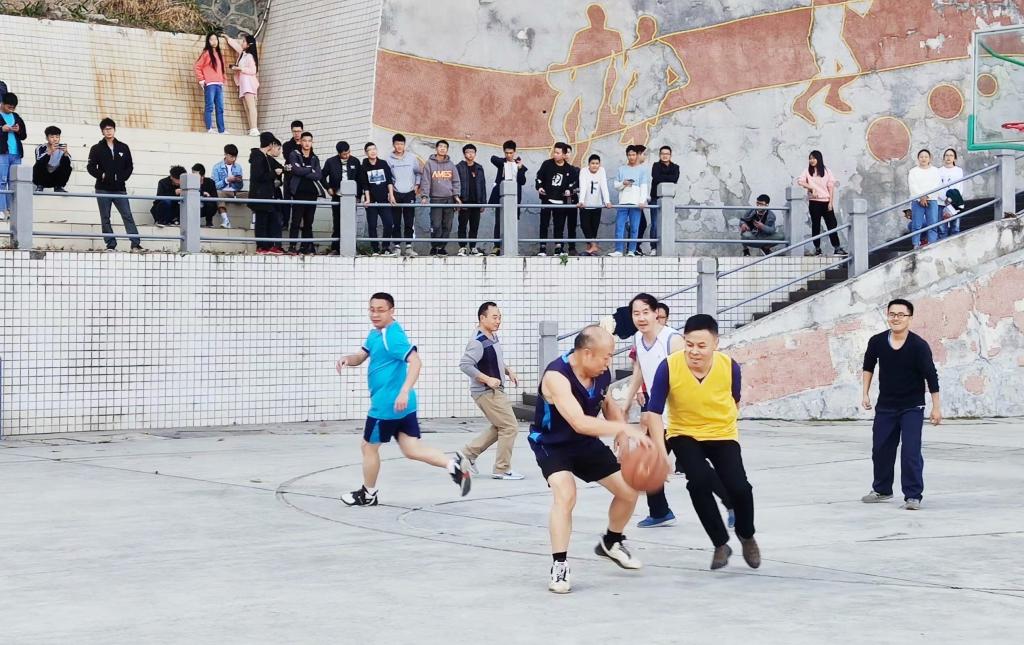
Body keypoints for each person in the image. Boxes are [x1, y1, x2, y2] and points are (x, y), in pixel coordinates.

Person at [530, 325, 649, 594]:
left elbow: (606, 403)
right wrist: (627, 429)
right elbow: (579, 422)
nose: (609, 363)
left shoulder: (600, 372)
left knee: (629, 491)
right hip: (552, 444)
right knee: (566, 493)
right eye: (606, 357)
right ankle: (559, 565)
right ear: (586, 353)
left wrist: (621, 431)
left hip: (585, 444)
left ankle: (611, 542)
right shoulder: (556, 377)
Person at [645, 314, 761, 570]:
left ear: (715, 344)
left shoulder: (730, 367)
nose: (694, 351)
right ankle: (720, 543)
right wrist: (661, 455)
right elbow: (653, 412)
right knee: (697, 482)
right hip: (683, 433)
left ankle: (746, 535)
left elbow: (735, 399)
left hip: (722, 433)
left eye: (701, 346)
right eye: (689, 344)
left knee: (740, 488)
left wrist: (723, 423)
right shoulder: (669, 366)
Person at [338, 292, 472, 506]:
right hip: (404, 406)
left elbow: (416, 362)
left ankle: (368, 494)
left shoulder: (392, 336)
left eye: (381, 310)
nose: (375, 314)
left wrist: (404, 390)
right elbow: (361, 356)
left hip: (387, 406)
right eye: (372, 309)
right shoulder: (376, 334)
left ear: (392, 311)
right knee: (411, 449)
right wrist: (348, 359)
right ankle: (453, 466)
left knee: (368, 447)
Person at [621, 297, 736, 529]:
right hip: (657, 415)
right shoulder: (638, 338)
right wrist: (627, 401)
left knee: (694, 468)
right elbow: (640, 369)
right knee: (651, 464)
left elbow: (692, 372)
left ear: (656, 313)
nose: (641, 318)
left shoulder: (672, 340)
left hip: (679, 417)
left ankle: (733, 503)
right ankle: (660, 512)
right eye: (636, 313)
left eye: (646, 312)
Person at [861, 299, 941, 511]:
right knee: (880, 449)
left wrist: (936, 407)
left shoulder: (918, 345)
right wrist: (865, 393)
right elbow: (868, 366)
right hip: (886, 406)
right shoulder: (877, 341)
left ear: (910, 318)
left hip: (912, 407)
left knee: (910, 452)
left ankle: (913, 495)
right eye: (892, 314)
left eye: (901, 315)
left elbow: (931, 376)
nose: (896, 318)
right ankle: (882, 489)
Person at [459, 302, 523, 480]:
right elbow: (465, 365)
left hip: (494, 390)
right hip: (486, 392)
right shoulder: (477, 341)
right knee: (510, 427)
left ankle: (467, 455)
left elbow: (494, 360)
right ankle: (502, 469)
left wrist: (508, 371)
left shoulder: (492, 336)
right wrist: (487, 379)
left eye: (499, 317)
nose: (498, 321)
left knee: (501, 426)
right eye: (494, 317)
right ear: (482, 318)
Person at [86, 118, 143, 252]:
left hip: (119, 189)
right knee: (105, 217)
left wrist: (121, 178)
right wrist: (102, 175)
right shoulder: (96, 148)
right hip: (102, 189)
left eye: (110, 128)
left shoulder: (123, 147)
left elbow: (129, 166)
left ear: (114, 129)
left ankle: (135, 244)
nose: (108, 131)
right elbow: (90, 167)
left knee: (127, 215)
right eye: (106, 129)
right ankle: (111, 245)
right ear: (102, 131)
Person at [797, 150, 847, 256]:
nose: (811, 160)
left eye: (814, 158)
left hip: (826, 202)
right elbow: (800, 181)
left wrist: (830, 203)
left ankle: (837, 248)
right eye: (810, 158)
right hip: (814, 203)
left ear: (819, 158)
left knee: (832, 225)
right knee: (816, 226)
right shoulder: (807, 171)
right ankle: (817, 248)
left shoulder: (827, 171)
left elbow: (831, 187)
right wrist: (812, 188)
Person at [419, 140, 461, 256]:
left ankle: (442, 247)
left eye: (445, 147)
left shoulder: (451, 165)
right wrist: (424, 196)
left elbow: (456, 181)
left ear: (447, 150)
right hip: (436, 199)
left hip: (449, 200)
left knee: (447, 225)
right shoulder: (429, 164)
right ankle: (435, 247)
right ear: (436, 148)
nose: (442, 148)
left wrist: (456, 196)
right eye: (440, 146)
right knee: (436, 225)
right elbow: (425, 180)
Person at [534, 142, 576, 256]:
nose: (555, 155)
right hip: (547, 200)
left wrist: (569, 191)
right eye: (555, 152)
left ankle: (558, 247)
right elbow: (539, 178)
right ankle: (542, 248)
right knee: (544, 224)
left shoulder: (569, 169)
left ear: (564, 155)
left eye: (558, 153)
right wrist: (540, 187)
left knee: (559, 225)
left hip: (561, 201)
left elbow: (573, 184)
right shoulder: (547, 164)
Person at [488, 139, 528, 256]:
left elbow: (522, 181)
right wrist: (506, 162)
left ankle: (511, 247)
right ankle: (497, 246)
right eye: (506, 153)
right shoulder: (502, 163)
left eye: (511, 153)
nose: (509, 155)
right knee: (498, 222)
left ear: (514, 152)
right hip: (501, 197)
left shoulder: (520, 166)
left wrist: (519, 168)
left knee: (512, 222)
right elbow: (493, 158)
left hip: (514, 198)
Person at [322, 141, 362, 255]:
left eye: (348, 152)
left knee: (351, 223)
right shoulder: (331, 162)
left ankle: (352, 247)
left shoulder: (355, 161)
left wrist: (359, 195)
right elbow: (322, 175)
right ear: (339, 153)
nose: (347, 155)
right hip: (337, 196)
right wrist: (328, 188)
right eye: (344, 154)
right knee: (337, 222)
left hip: (351, 197)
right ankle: (336, 247)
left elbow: (360, 179)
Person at [287, 132, 323, 255]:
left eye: (309, 141)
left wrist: (303, 170)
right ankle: (292, 246)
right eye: (305, 140)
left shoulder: (315, 158)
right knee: (296, 220)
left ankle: (306, 246)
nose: (307, 143)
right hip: (298, 192)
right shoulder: (294, 154)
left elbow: (318, 175)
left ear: (312, 142)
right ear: (301, 142)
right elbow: (296, 170)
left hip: (312, 193)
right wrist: (310, 170)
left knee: (309, 222)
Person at [386, 133, 421, 257]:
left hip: (409, 193)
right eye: (397, 144)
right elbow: (388, 178)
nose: (399, 146)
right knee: (395, 221)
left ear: (404, 145)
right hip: (395, 193)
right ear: (393, 145)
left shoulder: (412, 158)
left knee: (409, 221)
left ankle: (409, 246)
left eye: (401, 144)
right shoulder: (388, 159)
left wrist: (416, 186)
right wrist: (390, 194)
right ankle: (396, 246)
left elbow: (418, 173)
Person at [248, 132, 284, 255]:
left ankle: (268, 246)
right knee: (261, 222)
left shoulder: (264, 157)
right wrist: (274, 173)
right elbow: (258, 176)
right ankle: (261, 247)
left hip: (266, 195)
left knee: (268, 220)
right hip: (260, 195)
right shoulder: (258, 157)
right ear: (270, 144)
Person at [359, 142, 397, 256]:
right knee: (372, 225)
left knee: (389, 223)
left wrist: (391, 195)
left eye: (374, 149)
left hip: (384, 200)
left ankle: (385, 247)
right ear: (366, 153)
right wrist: (367, 199)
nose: (373, 151)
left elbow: (389, 181)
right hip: (372, 202)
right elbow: (365, 185)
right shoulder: (363, 167)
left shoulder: (383, 163)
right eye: (370, 150)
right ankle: (375, 249)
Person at [611, 145, 649, 257]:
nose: (631, 157)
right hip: (623, 202)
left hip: (636, 203)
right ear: (627, 156)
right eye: (629, 155)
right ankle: (618, 250)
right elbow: (616, 186)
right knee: (620, 226)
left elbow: (644, 187)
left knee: (634, 227)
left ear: (637, 155)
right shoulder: (621, 169)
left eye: (633, 155)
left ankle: (631, 250)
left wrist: (642, 201)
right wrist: (623, 183)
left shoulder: (642, 170)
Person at [223, 32, 260, 136]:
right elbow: (236, 46)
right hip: (242, 84)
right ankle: (251, 128)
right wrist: (228, 38)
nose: (242, 43)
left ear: (248, 45)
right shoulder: (243, 54)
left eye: (244, 41)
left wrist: (239, 68)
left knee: (251, 106)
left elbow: (253, 70)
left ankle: (254, 128)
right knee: (246, 107)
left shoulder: (250, 56)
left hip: (248, 84)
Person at [646, 146, 680, 256]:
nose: (665, 156)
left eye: (667, 154)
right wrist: (668, 177)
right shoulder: (656, 166)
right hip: (655, 198)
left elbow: (674, 179)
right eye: (662, 153)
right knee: (655, 223)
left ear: (670, 155)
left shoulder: (675, 167)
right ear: (659, 155)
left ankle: (667, 247)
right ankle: (653, 247)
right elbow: (656, 177)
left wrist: (664, 177)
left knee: (667, 224)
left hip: (669, 200)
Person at [577, 154, 612, 256]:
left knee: (594, 228)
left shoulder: (602, 171)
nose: (595, 165)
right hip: (585, 205)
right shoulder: (584, 171)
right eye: (592, 163)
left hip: (597, 205)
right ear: (589, 164)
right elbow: (583, 186)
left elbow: (604, 186)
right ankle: (594, 245)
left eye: (597, 163)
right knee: (585, 226)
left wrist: (607, 201)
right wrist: (581, 201)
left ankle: (590, 249)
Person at [456, 144, 487, 256]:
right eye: (468, 152)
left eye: (472, 152)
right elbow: (456, 184)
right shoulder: (459, 167)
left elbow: (483, 185)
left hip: (476, 202)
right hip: (464, 201)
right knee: (462, 225)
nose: (470, 154)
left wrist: (483, 203)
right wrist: (457, 200)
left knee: (474, 226)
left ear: (475, 154)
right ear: (464, 154)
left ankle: (473, 247)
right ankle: (462, 247)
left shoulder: (479, 168)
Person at [907, 149, 941, 250]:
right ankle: (916, 244)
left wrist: (927, 196)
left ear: (930, 158)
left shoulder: (935, 171)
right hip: (917, 200)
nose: (924, 159)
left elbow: (937, 184)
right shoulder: (913, 171)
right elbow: (912, 185)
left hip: (932, 199)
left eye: (926, 157)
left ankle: (932, 244)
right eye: (921, 157)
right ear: (918, 158)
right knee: (917, 224)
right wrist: (921, 197)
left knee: (933, 223)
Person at [194, 33, 227, 134]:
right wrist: (202, 79)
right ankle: (209, 128)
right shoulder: (206, 53)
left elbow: (222, 69)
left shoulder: (219, 54)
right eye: (211, 39)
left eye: (216, 39)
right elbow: (197, 66)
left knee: (220, 108)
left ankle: (221, 130)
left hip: (218, 84)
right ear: (208, 41)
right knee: (209, 106)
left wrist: (223, 79)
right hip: (210, 84)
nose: (214, 41)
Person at [0, 92, 27, 218]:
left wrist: (18, 130)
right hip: (2, 153)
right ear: (2, 104)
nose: (11, 109)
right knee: (1, 181)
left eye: (13, 107)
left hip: (16, 154)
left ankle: (12, 210)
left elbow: (24, 135)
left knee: (14, 182)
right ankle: (2, 209)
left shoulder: (16, 117)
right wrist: (2, 129)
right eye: (9, 107)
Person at [280, 120, 305, 234]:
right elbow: (289, 158)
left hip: (300, 177)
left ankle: (297, 223)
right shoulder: (287, 145)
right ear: (291, 131)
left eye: (299, 131)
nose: (297, 134)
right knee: (287, 200)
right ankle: (285, 223)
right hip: (289, 176)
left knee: (299, 201)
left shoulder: (305, 144)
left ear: (302, 131)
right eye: (294, 131)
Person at [212, 143, 244, 229]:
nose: (233, 159)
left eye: (235, 157)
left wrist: (238, 181)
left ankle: (254, 221)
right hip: (224, 192)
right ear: (225, 155)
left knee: (254, 193)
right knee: (218, 194)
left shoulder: (238, 167)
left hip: (236, 192)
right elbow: (215, 185)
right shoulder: (217, 167)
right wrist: (227, 180)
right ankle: (226, 220)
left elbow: (240, 186)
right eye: (231, 156)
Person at [32, 125, 72, 193]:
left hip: (55, 178)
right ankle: (40, 186)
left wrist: (65, 153)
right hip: (43, 178)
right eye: (52, 137)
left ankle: (59, 186)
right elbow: (39, 161)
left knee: (68, 167)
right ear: (47, 138)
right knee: (38, 165)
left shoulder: (62, 148)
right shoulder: (41, 148)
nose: (55, 139)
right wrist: (50, 151)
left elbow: (68, 164)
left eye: (57, 137)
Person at [937, 148, 965, 235]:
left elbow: (959, 187)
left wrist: (951, 199)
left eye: (951, 155)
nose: (948, 157)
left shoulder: (958, 170)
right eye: (947, 155)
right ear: (943, 158)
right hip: (941, 203)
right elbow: (938, 187)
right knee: (942, 230)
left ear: (955, 158)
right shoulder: (938, 171)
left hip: (955, 202)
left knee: (955, 228)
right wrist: (945, 198)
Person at [191, 163, 219, 228]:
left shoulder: (210, 182)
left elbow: (215, 197)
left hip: (206, 206)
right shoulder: (190, 182)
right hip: (193, 206)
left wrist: (208, 196)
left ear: (202, 176)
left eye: (195, 175)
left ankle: (209, 222)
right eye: (192, 174)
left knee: (210, 204)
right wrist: (202, 193)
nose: (193, 177)